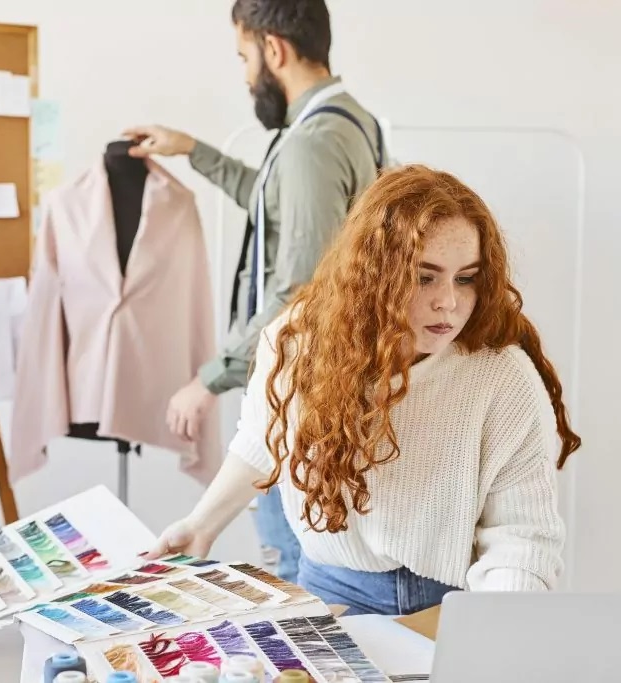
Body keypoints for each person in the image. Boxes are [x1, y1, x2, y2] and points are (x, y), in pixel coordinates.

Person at [144, 165, 582, 615]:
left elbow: (521, 538)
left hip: (446, 602)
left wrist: (499, 635)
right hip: (325, 586)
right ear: (374, 275)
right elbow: (264, 439)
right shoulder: (297, 343)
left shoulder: (502, 378)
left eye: (465, 278)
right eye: (424, 277)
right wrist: (201, 525)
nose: (448, 302)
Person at [125, 0, 385, 583]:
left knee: (291, 568)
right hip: (324, 386)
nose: (245, 75)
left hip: (299, 392)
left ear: (274, 50)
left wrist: (208, 378)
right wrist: (193, 149)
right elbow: (279, 208)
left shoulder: (311, 144)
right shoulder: (350, 123)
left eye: (245, 56)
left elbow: (300, 288)